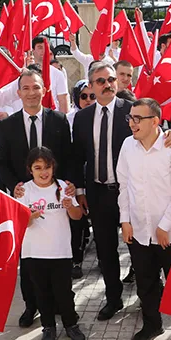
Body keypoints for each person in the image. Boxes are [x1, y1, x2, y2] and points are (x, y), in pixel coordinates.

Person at [71, 62, 171, 321]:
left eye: (111, 79)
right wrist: (79, 190)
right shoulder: (82, 118)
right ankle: (113, 298)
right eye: (101, 81)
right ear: (91, 86)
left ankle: (148, 299)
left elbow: (157, 129)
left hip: (131, 195)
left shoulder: (130, 111)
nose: (108, 84)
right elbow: (77, 158)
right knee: (106, 251)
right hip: (98, 193)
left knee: (140, 249)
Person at [116, 98, 171, 340]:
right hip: (139, 232)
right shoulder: (128, 146)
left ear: (155, 121)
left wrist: (164, 226)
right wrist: (125, 220)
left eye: (138, 118)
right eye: (130, 117)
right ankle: (152, 324)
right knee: (146, 283)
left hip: (170, 233)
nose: (132, 123)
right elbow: (124, 186)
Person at [0, 69, 73, 328]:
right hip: (24, 200)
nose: (31, 93)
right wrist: (15, 185)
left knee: (56, 254)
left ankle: (62, 306)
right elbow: (2, 164)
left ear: (45, 90)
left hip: (55, 199)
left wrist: (68, 189)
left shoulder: (59, 120)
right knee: (29, 259)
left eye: (36, 87)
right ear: (18, 93)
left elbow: (68, 157)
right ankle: (32, 306)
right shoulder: (7, 125)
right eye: (26, 88)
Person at [18, 147, 87, 340]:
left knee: (64, 292)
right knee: (42, 293)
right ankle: (48, 327)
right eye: (37, 167)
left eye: (47, 167)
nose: (43, 172)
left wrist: (70, 206)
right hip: (34, 253)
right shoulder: (25, 191)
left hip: (60, 252)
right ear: (30, 169)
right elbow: (22, 223)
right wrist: (30, 217)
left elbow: (77, 216)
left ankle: (71, 325)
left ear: (53, 167)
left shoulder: (64, 187)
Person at [66, 79, 95, 277]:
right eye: (83, 96)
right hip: (77, 177)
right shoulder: (69, 118)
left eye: (92, 96)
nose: (87, 100)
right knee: (77, 222)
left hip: (98, 177)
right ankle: (76, 260)